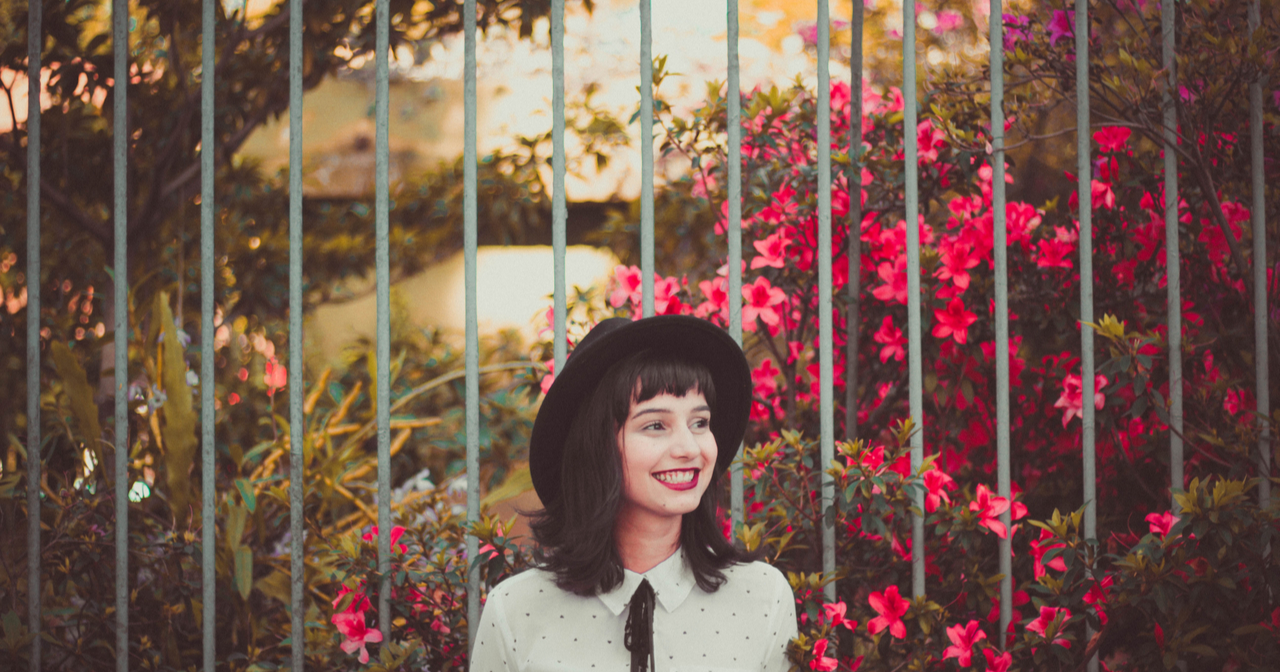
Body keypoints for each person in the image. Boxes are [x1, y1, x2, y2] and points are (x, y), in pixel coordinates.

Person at [469, 315, 797, 672]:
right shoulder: (516, 608)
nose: (689, 448)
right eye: (656, 425)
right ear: (597, 446)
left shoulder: (763, 597)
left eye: (700, 423)